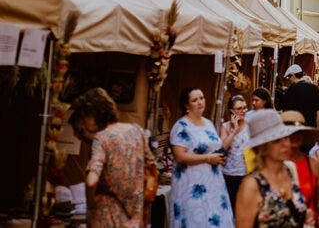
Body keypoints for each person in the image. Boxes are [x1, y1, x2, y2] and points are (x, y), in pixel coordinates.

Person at [68, 88, 156, 227]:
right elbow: (151, 167)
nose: (84, 122)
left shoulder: (102, 138)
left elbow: (91, 181)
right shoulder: (137, 131)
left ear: (93, 115)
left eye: (85, 117)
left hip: (107, 216)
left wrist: (90, 201)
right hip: (133, 217)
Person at [170, 87, 234, 227]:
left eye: (202, 98)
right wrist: (207, 158)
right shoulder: (181, 126)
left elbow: (215, 147)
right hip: (192, 183)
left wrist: (219, 155)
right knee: (196, 219)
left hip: (213, 181)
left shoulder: (208, 124)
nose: (200, 102)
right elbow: (179, 156)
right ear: (187, 105)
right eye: (195, 100)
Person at [235, 110, 311, 227]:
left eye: (285, 137)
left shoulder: (290, 169)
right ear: (263, 147)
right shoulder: (252, 185)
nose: (285, 144)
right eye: (277, 140)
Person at [280, 111, 319, 222]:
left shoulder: (313, 164)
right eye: (289, 133)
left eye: (298, 133)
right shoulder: (273, 164)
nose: (294, 137)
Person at [221, 95, 250, 211]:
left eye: (245, 108)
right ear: (231, 111)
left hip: (246, 173)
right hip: (229, 174)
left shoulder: (250, 125)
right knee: (230, 208)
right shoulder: (225, 127)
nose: (243, 111)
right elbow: (223, 148)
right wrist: (234, 130)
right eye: (239, 108)